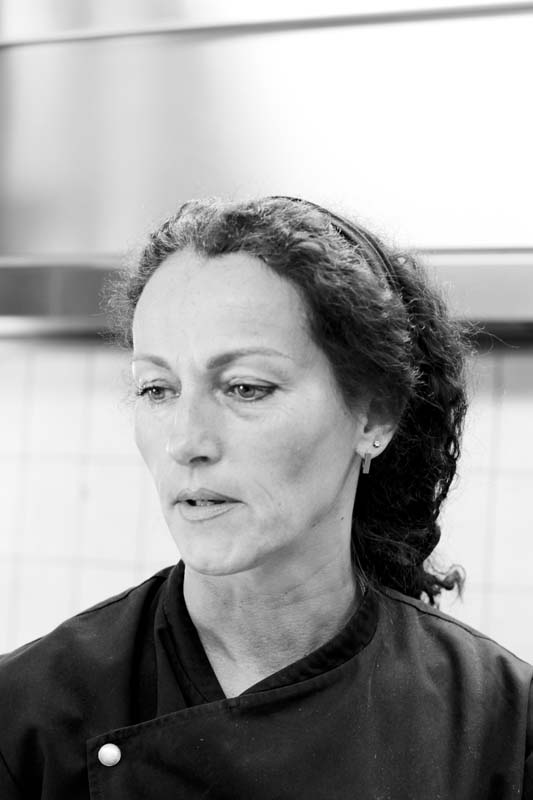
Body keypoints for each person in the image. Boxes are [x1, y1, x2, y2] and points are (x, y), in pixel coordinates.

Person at [0, 196, 531, 799]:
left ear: (374, 416)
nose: (186, 442)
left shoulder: (503, 730)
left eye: (245, 388)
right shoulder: (25, 718)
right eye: (157, 389)